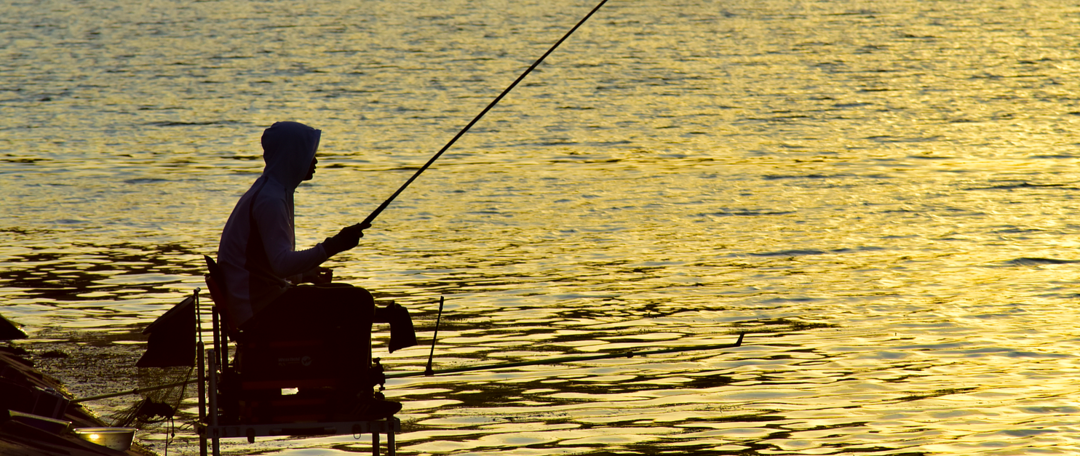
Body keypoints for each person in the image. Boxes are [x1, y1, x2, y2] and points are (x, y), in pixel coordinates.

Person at [215, 121, 411, 420]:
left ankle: (331, 385)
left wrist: (304, 276)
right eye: (310, 154)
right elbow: (281, 262)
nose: (315, 161)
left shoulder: (272, 191)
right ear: (293, 157)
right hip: (261, 310)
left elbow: (266, 263)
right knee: (357, 302)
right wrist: (332, 246)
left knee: (349, 295)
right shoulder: (270, 200)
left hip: (261, 300)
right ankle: (351, 396)